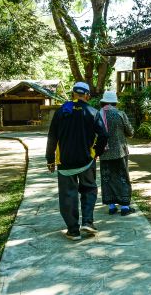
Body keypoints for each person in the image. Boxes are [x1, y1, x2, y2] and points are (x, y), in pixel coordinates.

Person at [46, 82, 108, 241]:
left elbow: (52, 136)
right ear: (87, 95)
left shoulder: (61, 111)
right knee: (89, 189)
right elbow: (104, 135)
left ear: (73, 93)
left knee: (68, 195)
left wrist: (50, 159)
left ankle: (73, 230)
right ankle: (87, 222)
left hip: (65, 162)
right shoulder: (92, 112)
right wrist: (96, 152)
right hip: (86, 160)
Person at [98, 91, 135, 216]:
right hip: (120, 152)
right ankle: (125, 207)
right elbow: (130, 131)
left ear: (103, 102)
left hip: (104, 152)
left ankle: (111, 206)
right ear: (114, 102)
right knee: (123, 177)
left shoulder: (98, 115)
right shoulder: (120, 114)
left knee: (107, 178)